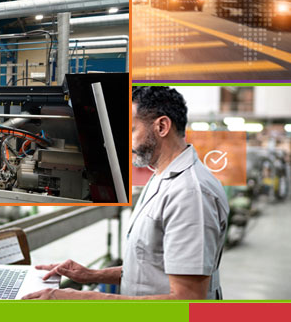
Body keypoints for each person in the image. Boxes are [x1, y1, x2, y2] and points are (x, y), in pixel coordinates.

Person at [24, 86, 229, 300]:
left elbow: (188, 300)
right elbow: (150, 268)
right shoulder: (162, 176)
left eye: (130, 130)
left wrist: (82, 299)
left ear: (162, 126)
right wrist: (92, 274)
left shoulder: (190, 194)